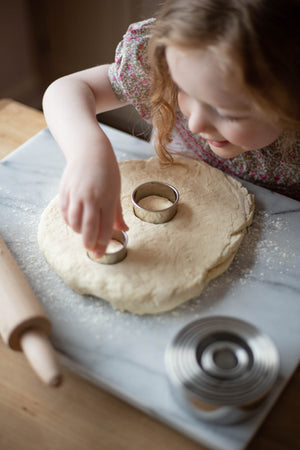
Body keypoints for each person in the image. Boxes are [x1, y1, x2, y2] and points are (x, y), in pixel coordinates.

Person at [42, 0, 300, 258]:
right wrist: (89, 154)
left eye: (228, 114)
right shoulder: (182, 53)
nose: (195, 124)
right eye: (183, 89)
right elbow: (67, 90)